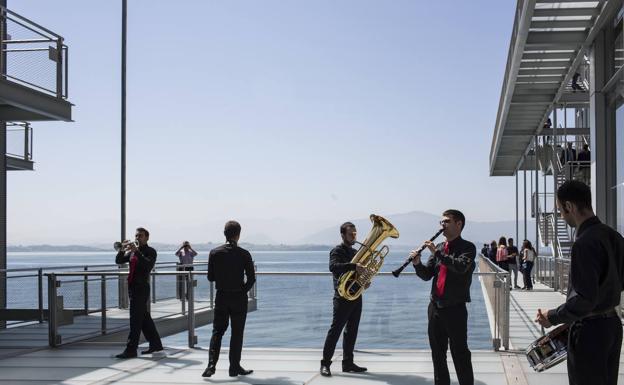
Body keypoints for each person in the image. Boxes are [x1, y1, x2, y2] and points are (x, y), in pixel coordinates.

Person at [535, 181, 624, 385]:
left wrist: (552, 316)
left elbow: (584, 299)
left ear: (570, 207)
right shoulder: (614, 236)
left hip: (589, 332)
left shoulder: (584, 243)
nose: (561, 216)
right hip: (612, 326)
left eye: (560, 211)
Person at [412, 209, 475, 385]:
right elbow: (427, 275)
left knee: (460, 353)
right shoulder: (439, 247)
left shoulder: (468, 248)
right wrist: (417, 264)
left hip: (455, 308)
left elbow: (461, 266)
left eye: (446, 221)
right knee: (437, 354)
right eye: (441, 222)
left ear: (458, 224)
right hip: (435, 307)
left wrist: (437, 254)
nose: (442, 225)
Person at [202, 221, 256, 378]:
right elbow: (251, 279)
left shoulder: (214, 253)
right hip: (238, 297)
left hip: (222, 296)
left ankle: (211, 365)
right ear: (238, 234)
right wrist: (242, 291)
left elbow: (210, 277)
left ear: (224, 234)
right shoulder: (244, 254)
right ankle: (234, 367)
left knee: (217, 331)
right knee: (237, 333)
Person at [320, 222, 368, 377]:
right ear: (343, 235)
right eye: (351, 234)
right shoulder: (337, 251)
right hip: (341, 297)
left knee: (352, 331)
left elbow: (358, 273)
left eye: (355, 233)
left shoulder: (356, 252)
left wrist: (364, 280)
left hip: (356, 295)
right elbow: (333, 267)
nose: (354, 236)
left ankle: (348, 363)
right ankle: (325, 364)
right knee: (335, 331)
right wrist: (354, 266)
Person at [114, 227, 163, 359]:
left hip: (142, 287)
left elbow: (148, 266)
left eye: (140, 236)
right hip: (132, 287)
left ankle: (131, 349)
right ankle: (156, 344)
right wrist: (122, 249)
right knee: (143, 317)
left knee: (135, 319)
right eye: (136, 236)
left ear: (147, 238)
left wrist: (137, 253)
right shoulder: (132, 252)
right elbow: (119, 261)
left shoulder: (150, 251)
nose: (137, 238)